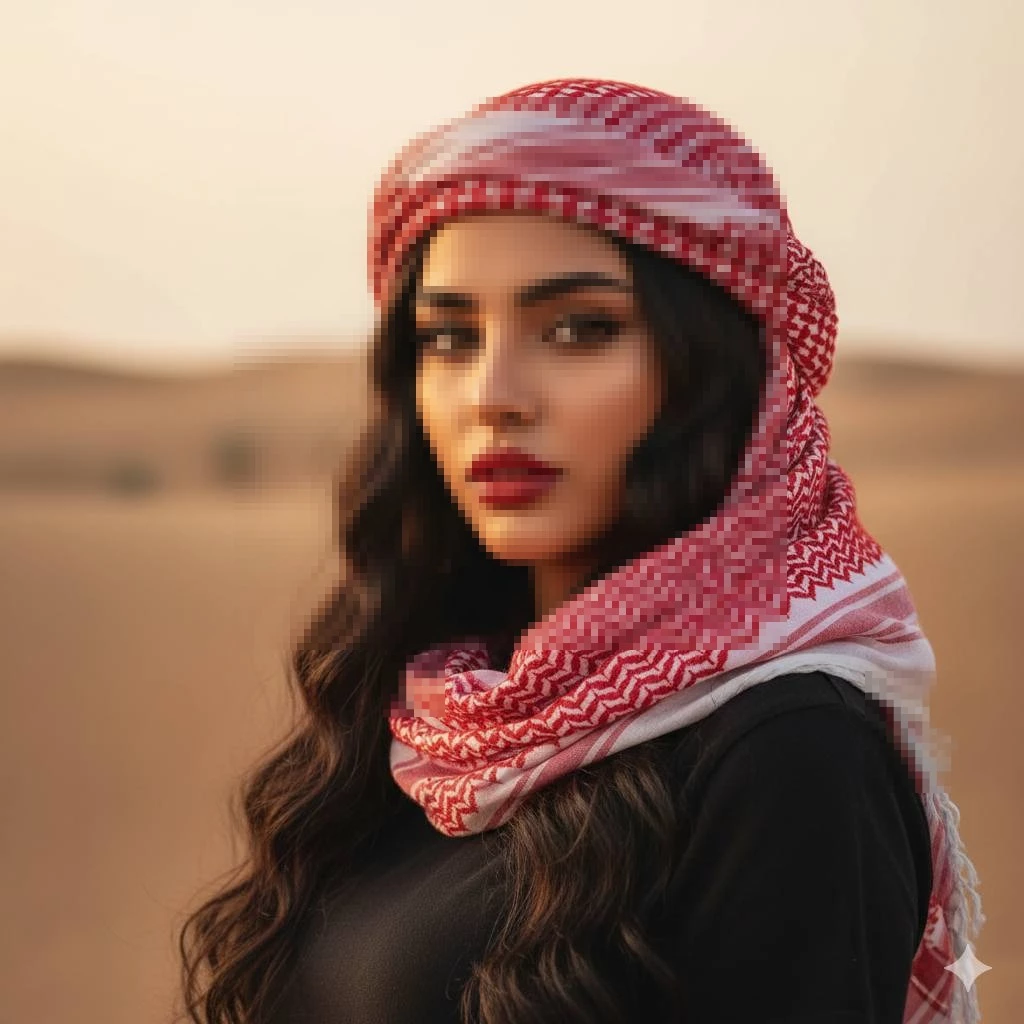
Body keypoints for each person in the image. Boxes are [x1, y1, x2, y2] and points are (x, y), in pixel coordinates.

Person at [176, 78, 984, 1024]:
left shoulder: (786, 752)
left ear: (712, 372)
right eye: (449, 336)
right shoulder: (435, 722)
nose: (494, 393)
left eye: (578, 329)